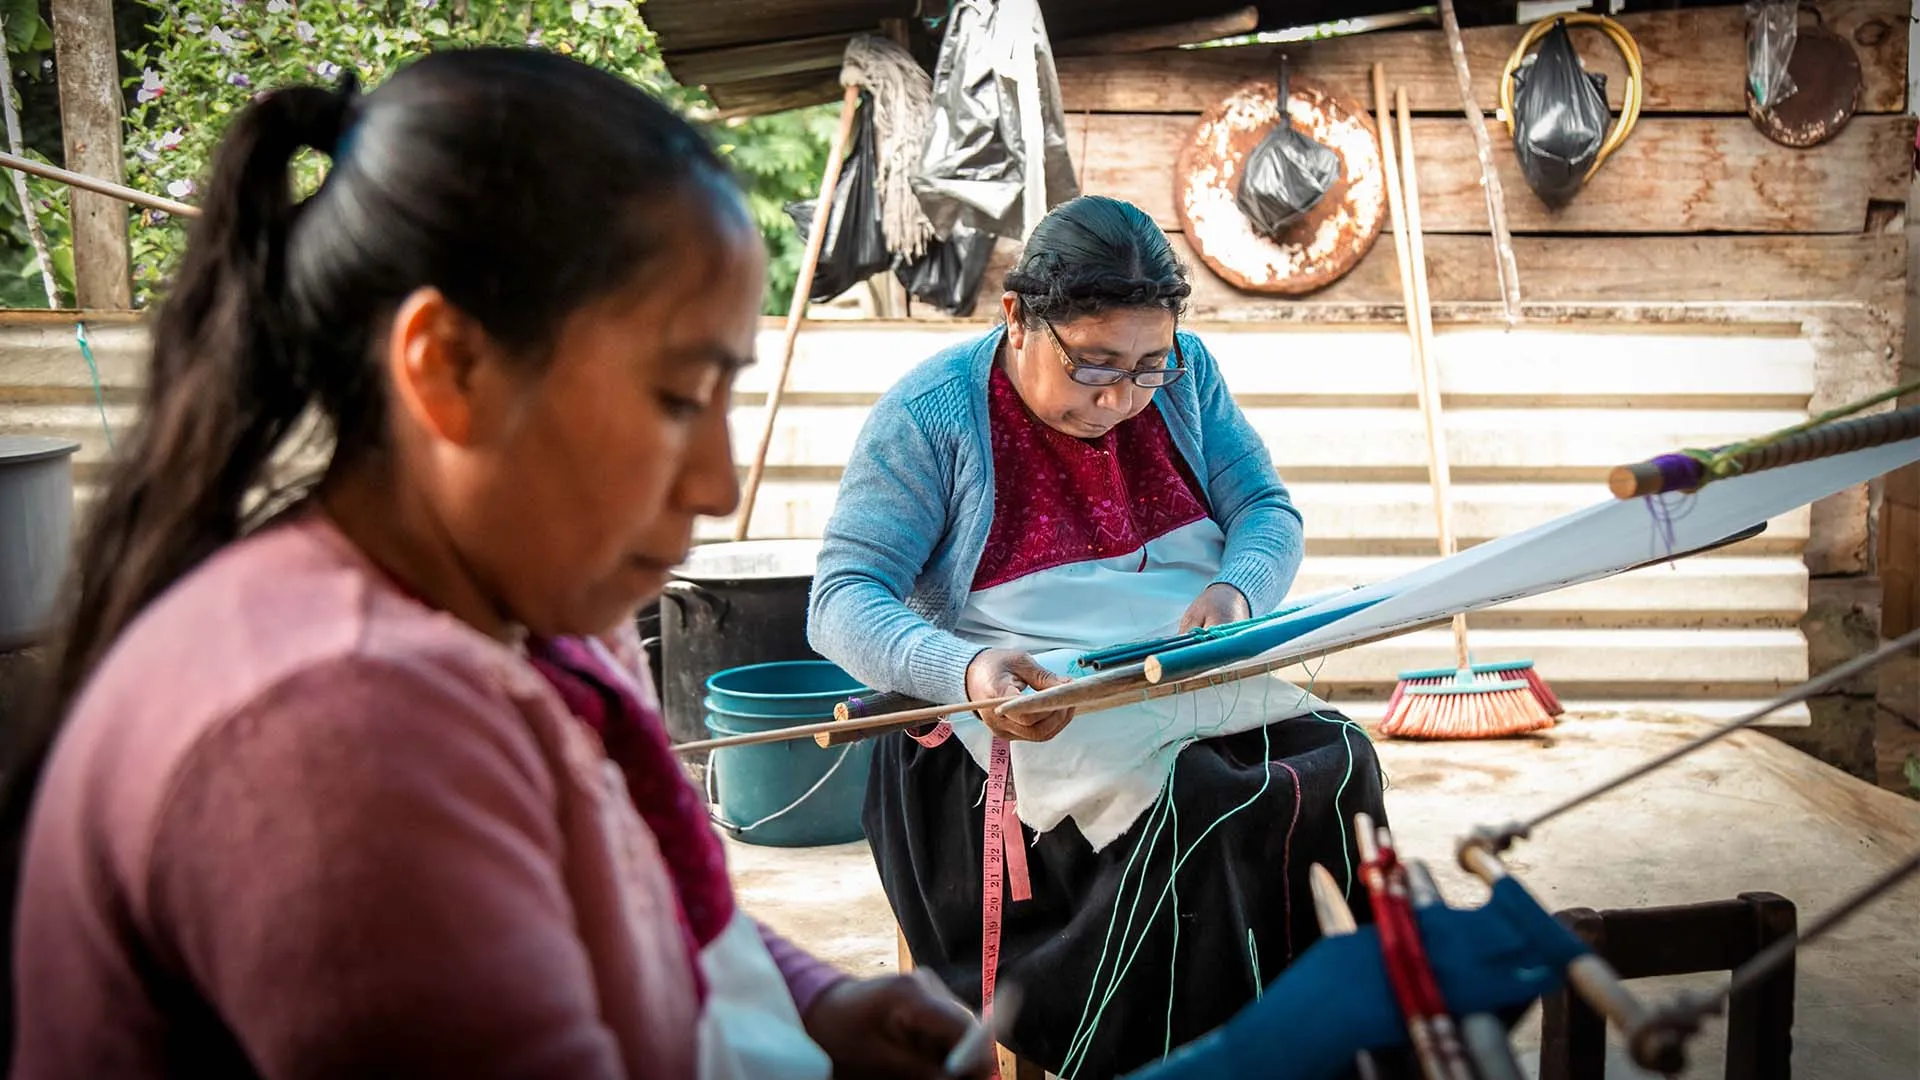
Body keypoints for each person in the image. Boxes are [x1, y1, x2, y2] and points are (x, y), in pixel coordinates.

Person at [1, 51, 995, 1080]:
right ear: (450, 367)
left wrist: (814, 1001)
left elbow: (644, 903)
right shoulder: (343, 731)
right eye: (675, 398)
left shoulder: (541, 622)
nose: (715, 484)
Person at [809, 195, 1391, 1078]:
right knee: (1200, 805)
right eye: (1093, 365)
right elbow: (842, 598)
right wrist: (966, 671)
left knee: (1339, 761)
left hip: (1186, 665)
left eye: (1149, 365)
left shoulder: (1186, 377)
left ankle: (1319, 1050)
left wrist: (1236, 591)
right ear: (1017, 317)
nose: (1120, 398)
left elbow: (1265, 509)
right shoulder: (930, 413)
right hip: (1018, 699)